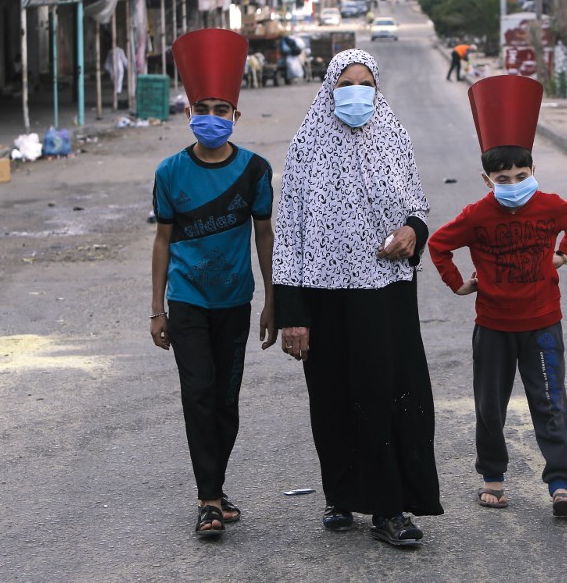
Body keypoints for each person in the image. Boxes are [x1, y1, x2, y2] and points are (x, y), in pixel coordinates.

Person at [272, 48, 443, 547]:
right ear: (329, 89)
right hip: (323, 295)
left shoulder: (395, 136)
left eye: (365, 84)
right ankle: (341, 494)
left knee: (387, 395)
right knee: (332, 398)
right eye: (345, 84)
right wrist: (292, 314)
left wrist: (413, 231)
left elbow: (417, 205)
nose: (356, 93)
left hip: (385, 293)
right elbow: (289, 235)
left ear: (377, 89)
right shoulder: (307, 144)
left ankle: (390, 509)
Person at [428, 75, 567, 517]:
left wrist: (563, 254)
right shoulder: (476, 215)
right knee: (489, 407)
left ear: (533, 171)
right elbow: (438, 244)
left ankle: (561, 484)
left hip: (543, 324)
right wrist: (457, 283)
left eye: (522, 175)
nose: (514, 183)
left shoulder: (550, 205)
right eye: (504, 178)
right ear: (487, 180)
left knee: (550, 402)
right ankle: (492, 478)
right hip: (494, 327)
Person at [150, 29, 277, 539]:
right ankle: (208, 500)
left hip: (235, 301)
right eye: (203, 109)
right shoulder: (169, 173)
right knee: (198, 394)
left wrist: (273, 300)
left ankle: (217, 490)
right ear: (189, 113)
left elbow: (264, 236)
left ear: (235, 116)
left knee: (226, 400)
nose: (212, 117)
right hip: (186, 302)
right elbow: (162, 241)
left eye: (221, 109)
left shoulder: (255, 171)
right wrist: (156, 309)